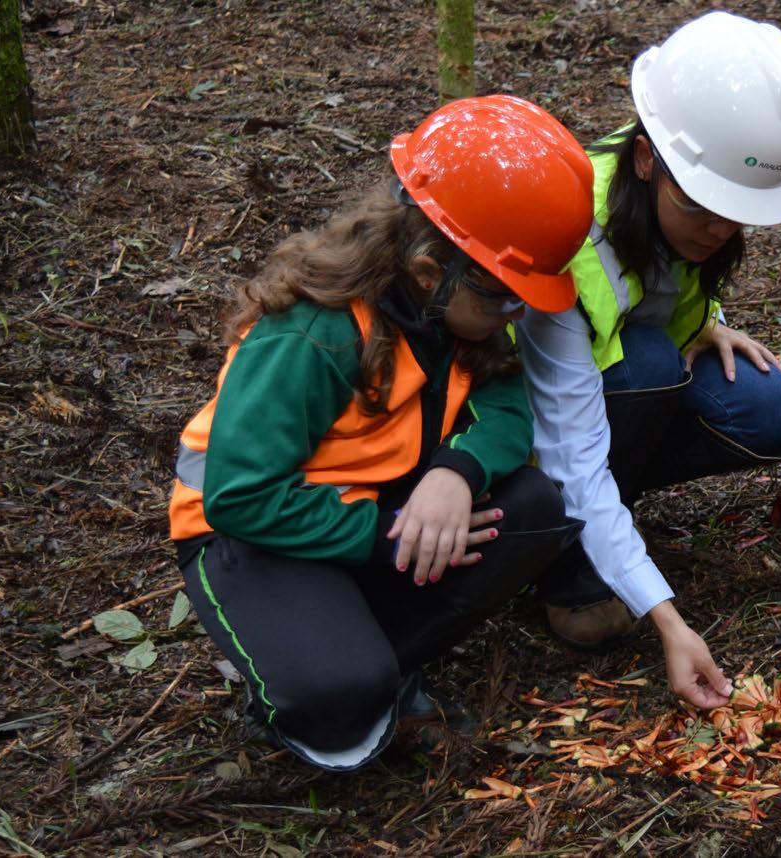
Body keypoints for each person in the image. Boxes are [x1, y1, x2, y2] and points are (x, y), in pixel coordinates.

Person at [168, 96, 593, 771]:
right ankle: (314, 669)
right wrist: (383, 533)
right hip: (253, 536)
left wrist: (455, 473)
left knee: (535, 509)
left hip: (377, 511)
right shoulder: (313, 334)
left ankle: (369, 651)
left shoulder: (459, 312)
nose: (515, 313)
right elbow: (241, 497)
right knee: (339, 700)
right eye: (505, 296)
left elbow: (508, 407)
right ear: (430, 272)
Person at [520, 12, 781, 702]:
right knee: (649, 365)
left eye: (737, 214)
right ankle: (567, 563)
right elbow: (569, 443)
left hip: (611, 403)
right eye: (703, 207)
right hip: (533, 435)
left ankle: (612, 514)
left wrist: (708, 320)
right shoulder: (567, 235)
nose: (720, 231)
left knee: (761, 406)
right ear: (647, 159)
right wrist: (668, 619)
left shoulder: (681, 193)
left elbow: (659, 285)